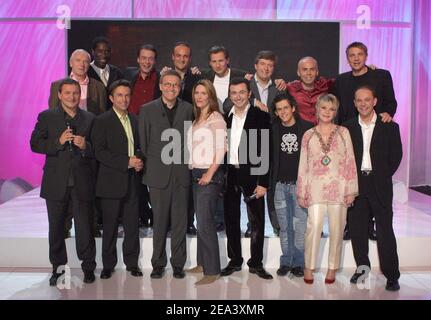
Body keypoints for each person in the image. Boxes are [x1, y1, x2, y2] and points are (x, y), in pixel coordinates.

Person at [30, 78, 96, 286]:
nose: (72, 97)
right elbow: (35, 144)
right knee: (56, 228)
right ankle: (57, 268)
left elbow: (98, 150)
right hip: (56, 182)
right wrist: (57, 143)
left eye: (75, 93)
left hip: (82, 182)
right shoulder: (47, 117)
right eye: (67, 93)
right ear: (59, 95)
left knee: (85, 227)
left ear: (80, 94)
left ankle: (88, 267)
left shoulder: (89, 118)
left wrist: (86, 145)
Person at [334, 42, 397, 241]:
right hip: (350, 136)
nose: (356, 58)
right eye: (351, 55)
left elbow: (390, 101)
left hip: (374, 133)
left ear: (366, 55)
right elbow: (337, 108)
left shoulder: (381, 75)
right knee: (351, 182)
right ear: (347, 58)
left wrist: (388, 114)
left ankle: (370, 226)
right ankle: (351, 226)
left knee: (373, 184)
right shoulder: (342, 80)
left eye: (359, 54)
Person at [344, 86, 402, 291]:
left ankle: (392, 275)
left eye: (367, 100)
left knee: (385, 231)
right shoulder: (348, 127)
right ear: (354, 103)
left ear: (375, 101)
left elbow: (396, 156)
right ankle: (362, 269)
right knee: (358, 231)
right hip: (356, 185)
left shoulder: (390, 126)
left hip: (380, 185)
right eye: (359, 100)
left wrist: (382, 175)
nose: (363, 104)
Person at [297, 94, 358, 284]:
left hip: (339, 188)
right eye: (324, 108)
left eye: (331, 109)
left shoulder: (343, 132)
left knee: (337, 229)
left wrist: (351, 189)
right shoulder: (308, 135)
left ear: (336, 111)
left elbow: (350, 162)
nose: (327, 112)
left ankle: (332, 267)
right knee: (313, 227)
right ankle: (309, 266)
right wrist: (302, 191)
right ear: (317, 109)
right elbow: (303, 165)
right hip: (314, 188)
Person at [139, 70, 193, 279]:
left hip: (181, 174)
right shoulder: (147, 110)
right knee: (159, 220)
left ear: (180, 88)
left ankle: (178, 264)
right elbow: (144, 142)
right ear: (161, 86)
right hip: (157, 174)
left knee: (180, 220)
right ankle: (158, 263)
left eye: (175, 85)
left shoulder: (188, 109)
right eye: (167, 84)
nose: (171, 88)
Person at [221, 78, 272, 280]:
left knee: (257, 221)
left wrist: (263, 182)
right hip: (230, 174)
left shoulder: (260, 116)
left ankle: (256, 263)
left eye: (242, 92)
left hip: (252, 175)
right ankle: (234, 261)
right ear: (230, 95)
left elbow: (266, 151)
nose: (238, 96)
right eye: (234, 93)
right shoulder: (226, 118)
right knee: (231, 220)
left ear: (249, 94)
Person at [91, 80, 143, 279]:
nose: (124, 99)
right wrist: (126, 162)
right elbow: (100, 152)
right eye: (120, 95)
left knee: (132, 225)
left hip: (132, 181)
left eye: (127, 95)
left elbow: (139, 147)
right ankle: (108, 265)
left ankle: (132, 263)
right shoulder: (102, 120)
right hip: (111, 182)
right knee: (110, 226)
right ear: (111, 98)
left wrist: (139, 162)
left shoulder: (135, 119)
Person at [186, 79, 227, 285]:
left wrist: (209, 174)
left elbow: (221, 150)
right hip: (196, 173)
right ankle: (203, 262)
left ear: (211, 95)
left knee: (205, 223)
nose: (199, 96)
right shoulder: (198, 118)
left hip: (208, 175)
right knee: (200, 221)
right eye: (197, 93)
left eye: (204, 93)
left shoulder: (216, 118)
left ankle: (212, 271)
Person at [270, 92, 313, 278]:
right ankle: (286, 261)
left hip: (300, 186)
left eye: (286, 107)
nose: (283, 112)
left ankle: (298, 263)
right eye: (279, 109)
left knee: (300, 226)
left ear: (293, 108)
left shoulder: (308, 129)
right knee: (284, 227)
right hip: (279, 185)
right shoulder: (273, 129)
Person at [49, 49, 107, 115]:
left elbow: (102, 114)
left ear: (89, 66)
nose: (82, 64)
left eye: (85, 61)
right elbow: (52, 113)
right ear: (71, 63)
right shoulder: (57, 85)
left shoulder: (99, 86)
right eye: (78, 60)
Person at [286, 56, 334, 124]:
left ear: (317, 72)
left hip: (322, 132)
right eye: (304, 69)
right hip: (300, 132)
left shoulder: (325, 85)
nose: (308, 73)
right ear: (298, 72)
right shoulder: (290, 88)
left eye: (312, 69)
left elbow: (345, 81)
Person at [124, 44, 161, 115]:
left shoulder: (161, 78)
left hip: (152, 123)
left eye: (150, 59)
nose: (147, 62)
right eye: (143, 58)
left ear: (155, 61)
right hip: (131, 122)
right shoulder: (128, 74)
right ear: (138, 59)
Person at [88, 36, 124, 109]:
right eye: (100, 51)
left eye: (107, 51)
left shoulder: (117, 73)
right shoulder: (87, 72)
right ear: (93, 52)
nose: (104, 55)